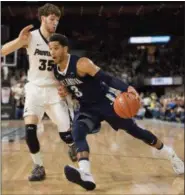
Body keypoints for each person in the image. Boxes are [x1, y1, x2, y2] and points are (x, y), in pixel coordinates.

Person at [48, 33, 184, 190]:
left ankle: (170, 154)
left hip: (107, 103)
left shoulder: (82, 63)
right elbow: (74, 87)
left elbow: (108, 78)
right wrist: (66, 91)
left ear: (65, 49)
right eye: (50, 49)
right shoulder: (57, 71)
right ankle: (86, 174)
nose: (52, 52)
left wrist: (128, 88)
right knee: (77, 131)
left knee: (136, 132)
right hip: (87, 107)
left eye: (56, 48)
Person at [1, 4, 77, 181]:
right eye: (52, 19)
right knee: (29, 130)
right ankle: (38, 167)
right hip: (34, 89)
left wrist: (66, 86)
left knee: (66, 133)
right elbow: (3, 50)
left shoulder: (60, 40)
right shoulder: (30, 37)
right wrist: (19, 41)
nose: (55, 23)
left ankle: (72, 144)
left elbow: (66, 66)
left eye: (57, 20)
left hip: (54, 91)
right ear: (43, 18)